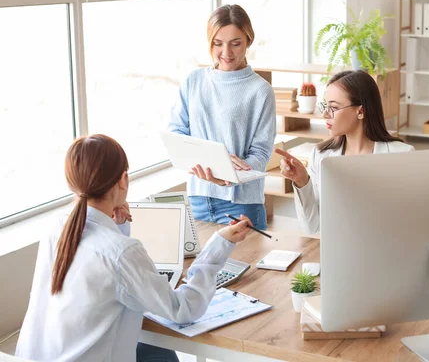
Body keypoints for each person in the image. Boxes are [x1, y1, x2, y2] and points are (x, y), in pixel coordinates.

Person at [16, 134, 252, 362]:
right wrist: (221, 243)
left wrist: (117, 225)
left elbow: (103, 275)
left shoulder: (57, 226)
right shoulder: (121, 252)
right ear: (123, 179)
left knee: (158, 352)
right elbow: (183, 310)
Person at [168, 4, 275, 230]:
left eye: (235, 43)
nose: (226, 52)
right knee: (202, 266)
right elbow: (176, 132)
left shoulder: (260, 90)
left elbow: (261, 153)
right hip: (198, 197)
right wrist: (210, 163)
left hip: (241, 203)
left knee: (247, 265)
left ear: (248, 40)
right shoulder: (193, 81)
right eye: (218, 43)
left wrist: (232, 171)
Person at [276, 70, 415, 235]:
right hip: (338, 253)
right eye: (325, 106)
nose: (325, 114)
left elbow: (410, 222)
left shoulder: (402, 156)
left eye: (333, 107)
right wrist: (302, 181)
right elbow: (311, 227)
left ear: (361, 111)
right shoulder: (321, 156)